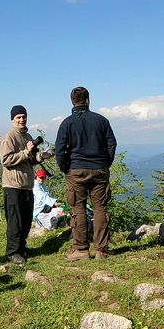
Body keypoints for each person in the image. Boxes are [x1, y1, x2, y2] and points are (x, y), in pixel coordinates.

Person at [55, 86, 117, 261]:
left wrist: (65, 168)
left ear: (72, 101)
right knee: (100, 208)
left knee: (78, 208)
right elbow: (111, 144)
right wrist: (106, 163)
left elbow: (59, 150)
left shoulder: (67, 123)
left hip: (76, 171)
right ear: (88, 100)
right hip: (99, 169)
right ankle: (102, 250)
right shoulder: (101, 120)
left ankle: (81, 249)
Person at [0, 104, 52, 263]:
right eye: (18, 117)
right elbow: (6, 160)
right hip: (13, 185)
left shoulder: (27, 136)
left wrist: (42, 156)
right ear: (12, 119)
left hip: (27, 184)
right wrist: (26, 152)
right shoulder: (8, 137)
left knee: (26, 219)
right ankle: (12, 252)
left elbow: (31, 159)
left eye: (24, 116)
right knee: (15, 221)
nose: (22, 120)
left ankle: (21, 247)